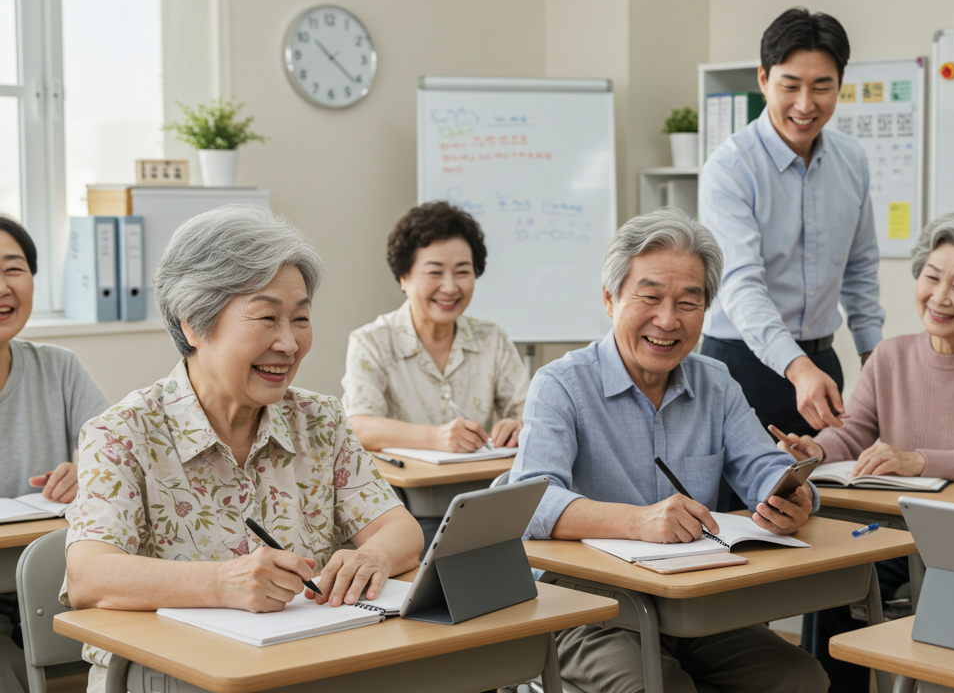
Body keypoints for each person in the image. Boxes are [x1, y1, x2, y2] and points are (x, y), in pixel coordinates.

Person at [62, 206, 422, 692]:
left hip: (304, 663)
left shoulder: (319, 419)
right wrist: (220, 583)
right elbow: (89, 575)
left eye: (301, 319)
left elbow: (399, 527)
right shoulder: (122, 432)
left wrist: (374, 557)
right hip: (168, 675)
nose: (289, 343)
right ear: (194, 324)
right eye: (267, 317)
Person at [510, 207, 827, 693]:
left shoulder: (716, 381)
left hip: (691, 597)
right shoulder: (561, 384)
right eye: (650, 297)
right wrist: (637, 521)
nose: (667, 320)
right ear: (610, 299)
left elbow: (761, 465)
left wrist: (789, 496)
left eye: (688, 302)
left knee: (799, 678)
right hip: (588, 606)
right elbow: (530, 500)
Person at [777, 209, 954, 692]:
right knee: (833, 566)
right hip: (890, 531)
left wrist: (917, 459)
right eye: (932, 277)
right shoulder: (890, 356)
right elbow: (852, 434)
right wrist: (813, 448)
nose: (939, 296)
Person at [699, 7, 884, 440]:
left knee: (824, 497)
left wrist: (875, 359)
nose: (805, 105)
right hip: (739, 367)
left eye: (822, 87)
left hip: (821, 364)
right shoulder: (730, 167)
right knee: (738, 507)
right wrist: (796, 369)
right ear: (764, 79)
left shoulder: (851, 160)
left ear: (840, 86)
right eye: (791, 86)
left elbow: (860, 269)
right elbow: (741, 283)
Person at [0, 216, 108, 693]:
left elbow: (119, 453)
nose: (2, 287)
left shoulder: (59, 367)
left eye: (13, 269)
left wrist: (87, 470)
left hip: (49, 585)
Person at [343, 201, 529, 453]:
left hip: (482, 486)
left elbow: (529, 412)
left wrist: (518, 425)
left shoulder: (491, 338)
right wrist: (435, 437)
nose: (450, 287)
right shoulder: (372, 341)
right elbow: (358, 426)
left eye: (462, 272)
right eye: (435, 272)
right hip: (402, 490)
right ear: (403, 277)